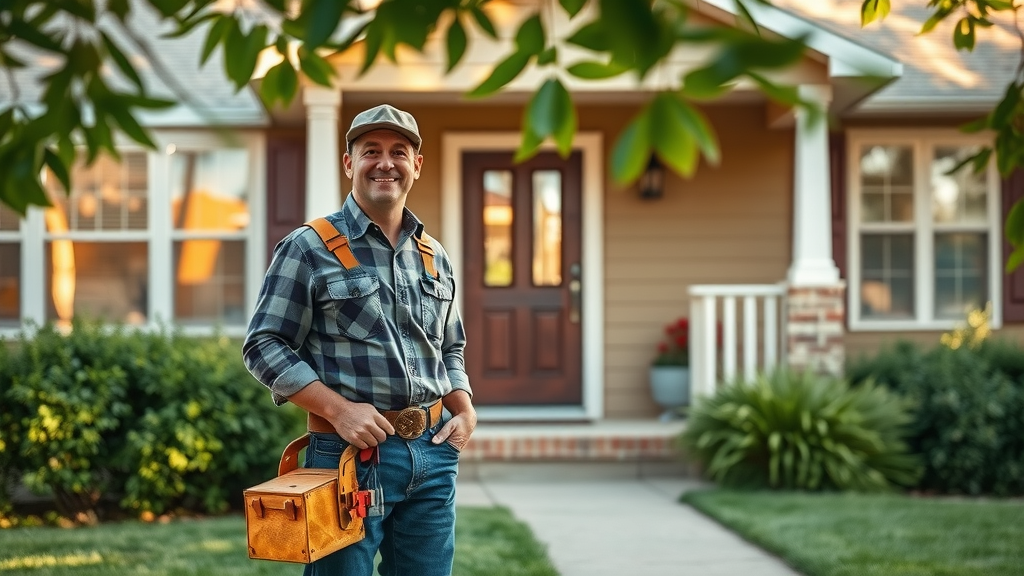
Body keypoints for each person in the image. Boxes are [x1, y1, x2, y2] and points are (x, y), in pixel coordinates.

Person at [242, 103, 476, 576]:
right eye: (371, 151)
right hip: (348, 458)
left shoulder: (434, 256)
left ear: (416, 165)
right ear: (349, 163)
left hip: (433, 455)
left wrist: (464, 408)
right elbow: (263, 344)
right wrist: (339, 411)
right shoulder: (308, 247)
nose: (385, 163)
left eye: (398, 152)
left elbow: (449, 347)